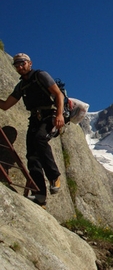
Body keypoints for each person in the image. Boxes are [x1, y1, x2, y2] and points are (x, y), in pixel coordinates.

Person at [0, 53, 63, 207]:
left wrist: (60, 114)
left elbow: (58, 94)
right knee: (32, 156)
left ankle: (54, 177)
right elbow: (6, 105)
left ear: (30, 63)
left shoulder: (40, 75)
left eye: (22, 63)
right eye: (17, 65)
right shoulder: (21, 86)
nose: (20, 67)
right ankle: (39, 194)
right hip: (35, 119)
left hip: (50, 115)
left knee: (40, 138)